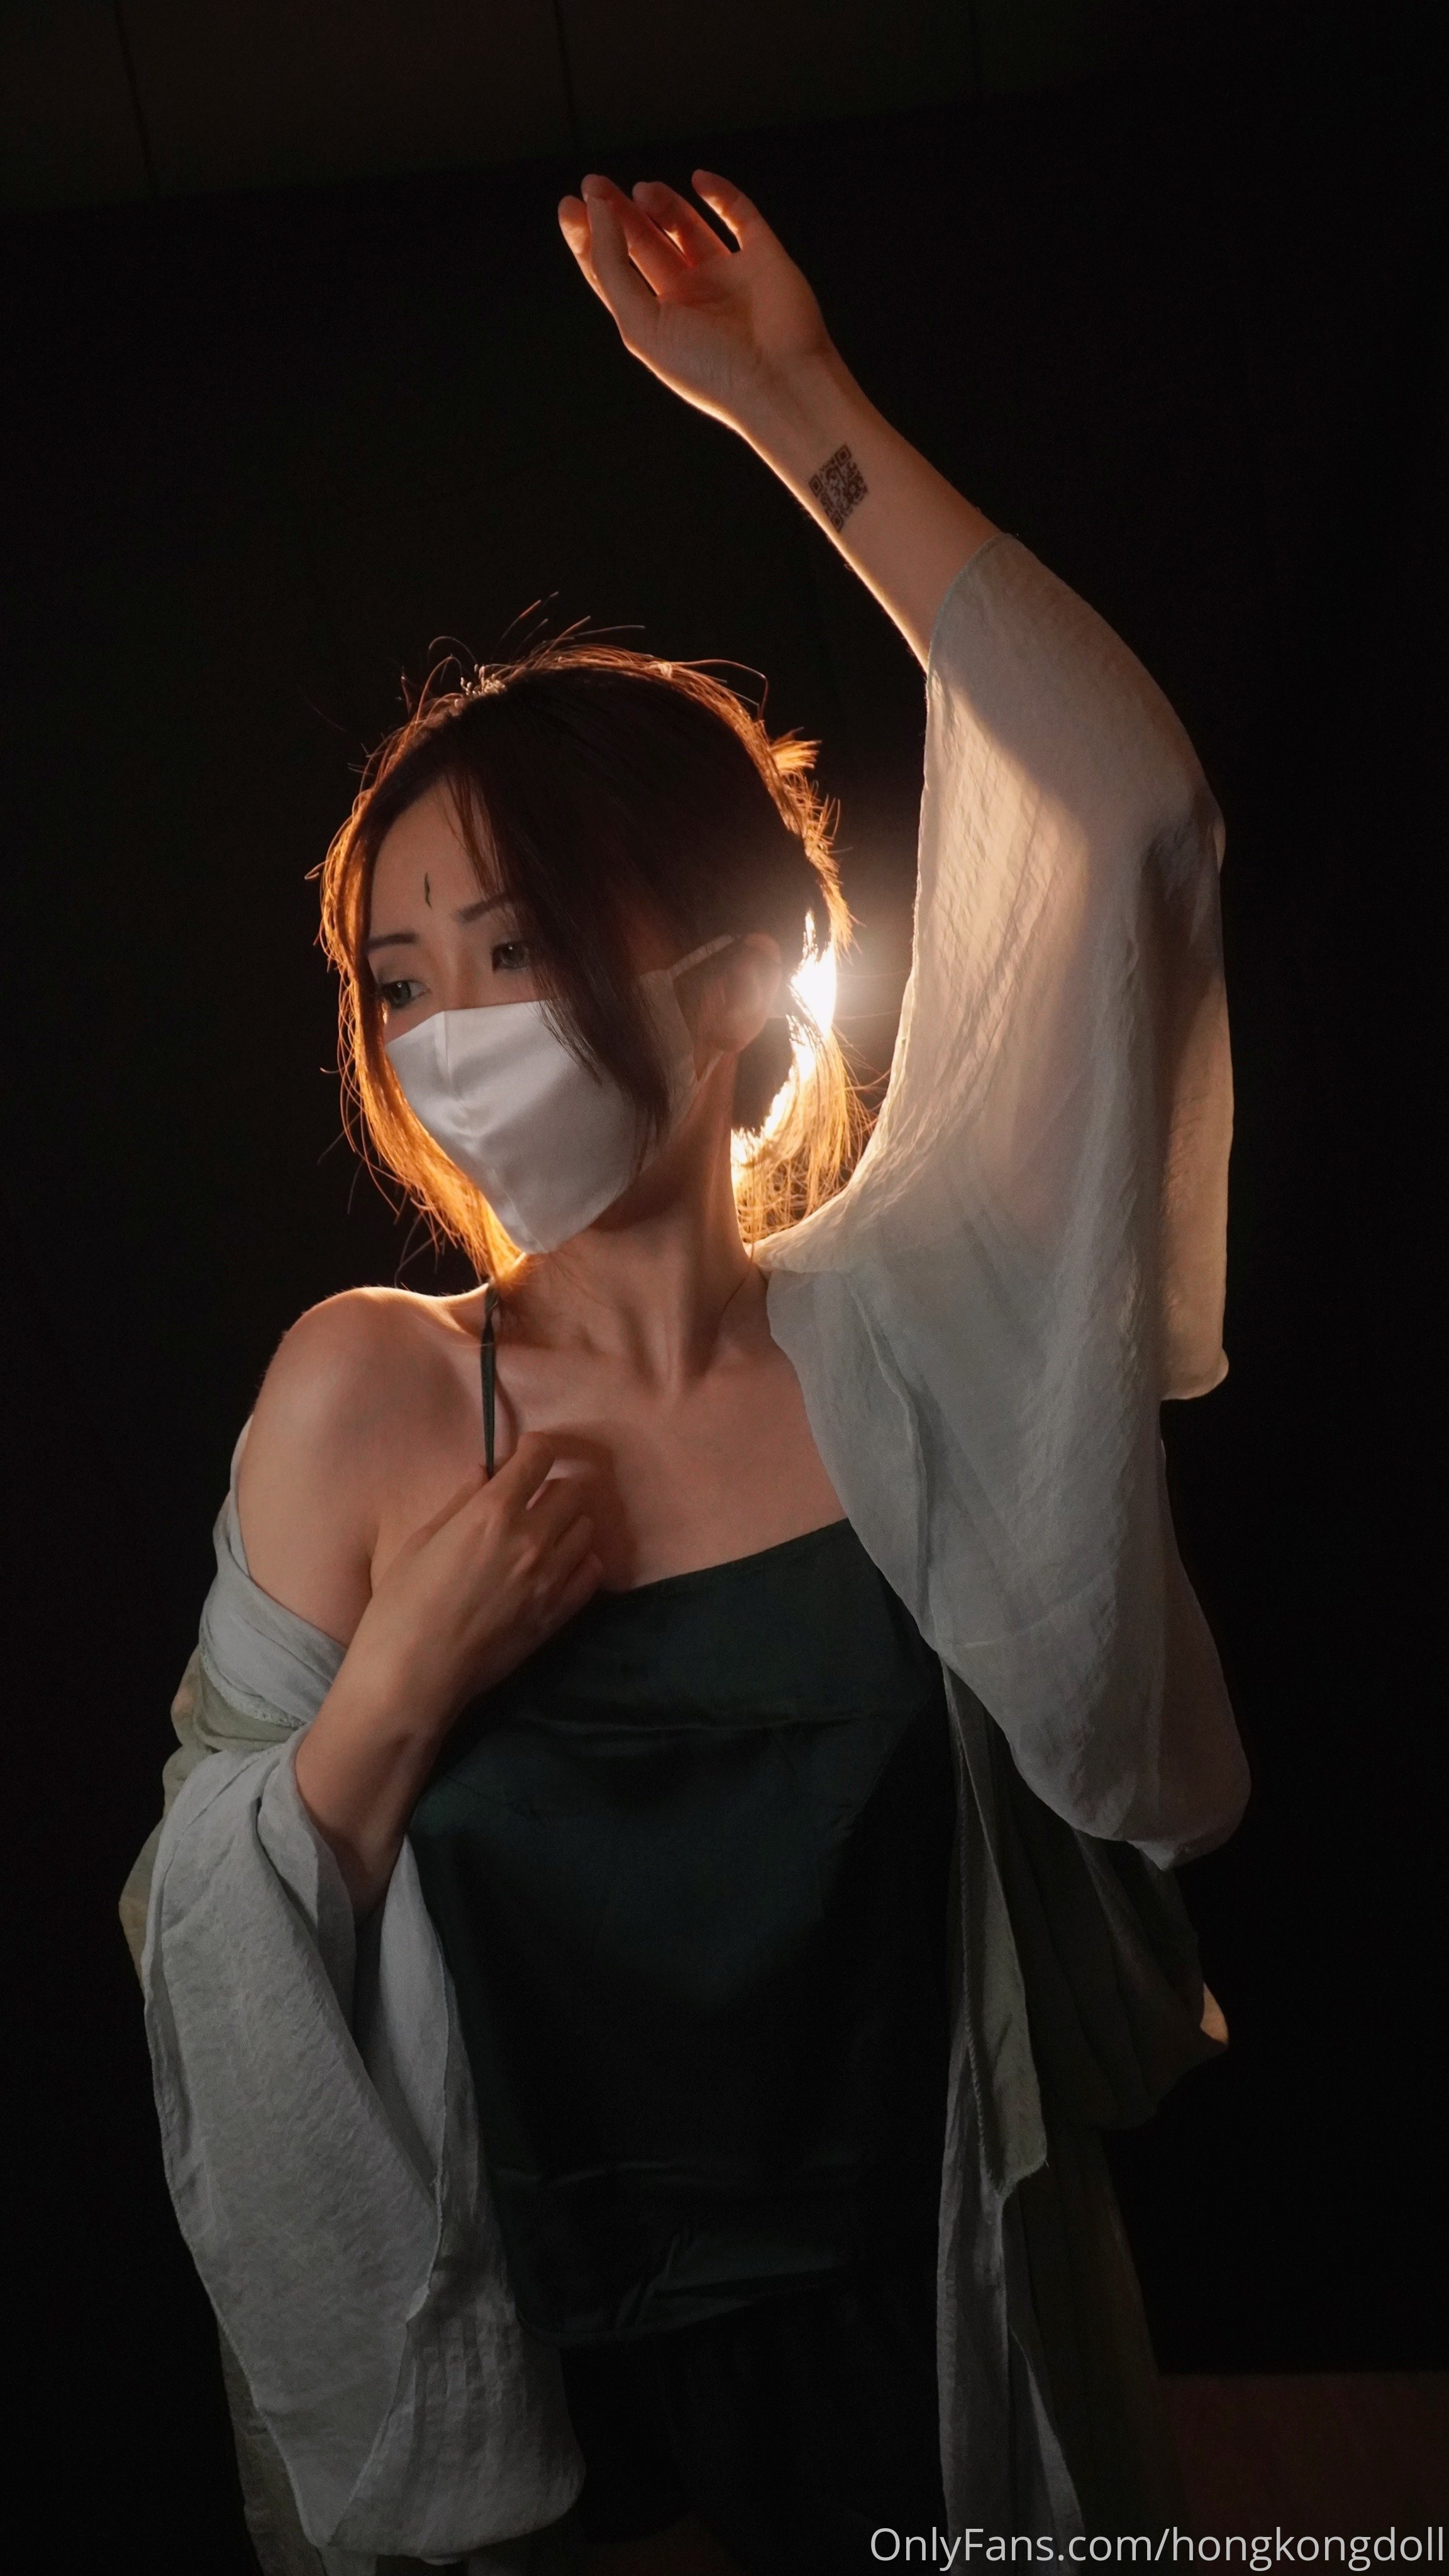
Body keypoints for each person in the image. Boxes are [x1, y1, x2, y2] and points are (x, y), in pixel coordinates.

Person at [123, 171, 1248, 2576]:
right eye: (399, 983)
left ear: (736, 981)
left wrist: (789, 399)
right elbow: (195, 1941)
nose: (448, 1038)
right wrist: (390, 1689)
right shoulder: (371, 1396)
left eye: (516, 947)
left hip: (937, 2374)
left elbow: (1130, 812)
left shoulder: (911, 1329)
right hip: (558, 2452)